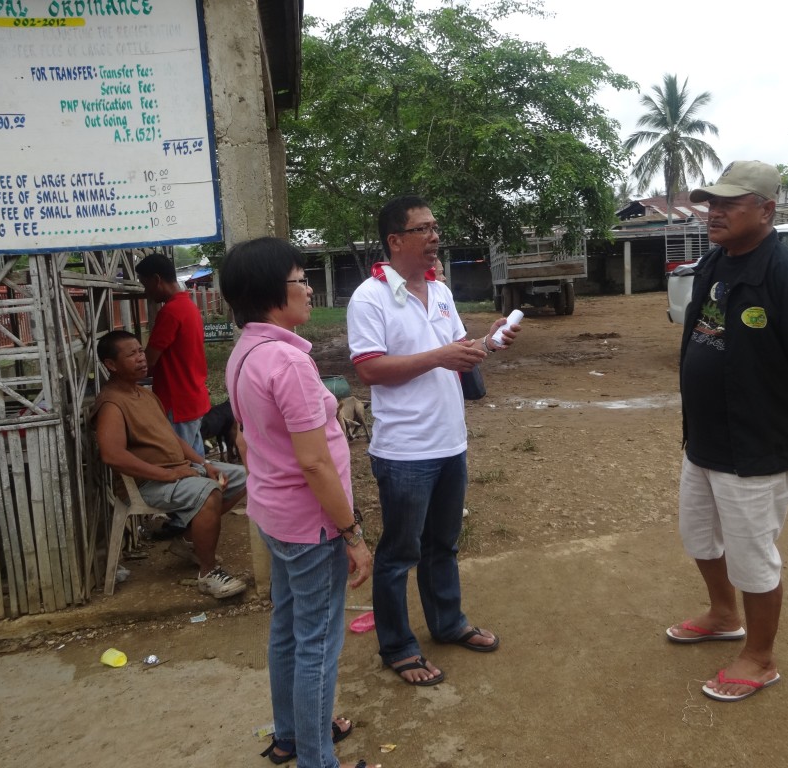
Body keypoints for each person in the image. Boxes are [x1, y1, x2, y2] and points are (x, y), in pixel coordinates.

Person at [667, 161, 788, 702]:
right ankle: (724, 615)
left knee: (753, 557)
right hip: (704, 438)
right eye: (711, 203)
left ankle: (761, 657)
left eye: (730, 203)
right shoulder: (714, 263)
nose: (714, 212)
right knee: (699, 537)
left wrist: (771, 406)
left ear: (767, 210)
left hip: (757, 446)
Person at [346, 195, 520, 686]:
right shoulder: (369, 298)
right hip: (404, 452)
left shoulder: (440, 292)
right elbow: (369, 368)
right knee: (399, 554)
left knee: (442, 544)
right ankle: (398, 647)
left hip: (450, 442)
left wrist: (490, 341)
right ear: (395, 241)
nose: (434, 236)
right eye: (422, 228)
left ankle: (447, 624)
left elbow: (462, 351)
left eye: (435, 227)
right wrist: (440, 357)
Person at [221, 238, 377, 768]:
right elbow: (314, 463)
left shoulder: (245, 351)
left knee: (288, 629)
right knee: (318, 643)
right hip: (310, 527)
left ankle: (292, 734)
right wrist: (352, 535)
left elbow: (246, 439)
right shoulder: (288, 364)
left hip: (275, 516)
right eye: (300, 280)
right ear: (271, 292)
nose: (309, 289)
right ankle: (317, 758)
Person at [93, 330, 248, 599]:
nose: (141, 358)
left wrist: (205, 463)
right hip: (147, 483)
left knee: (244, 476)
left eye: (140, 351)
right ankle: (208, 573)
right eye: (131, 355)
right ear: (110, 365)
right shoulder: (111, 403)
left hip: (179, 472)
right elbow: (112, 455)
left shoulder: (144, 394)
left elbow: (174, 439)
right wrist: (168, 474)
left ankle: (188, 539)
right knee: (209, 492)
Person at [135, 252, 211, 457]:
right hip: (193, 397)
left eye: (145, 283)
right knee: (197, 463)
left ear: (157, 280)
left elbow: (149, 361)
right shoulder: (189, 306)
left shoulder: (170, 312)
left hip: (176, 402)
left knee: (181, 462)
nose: (145, 291)